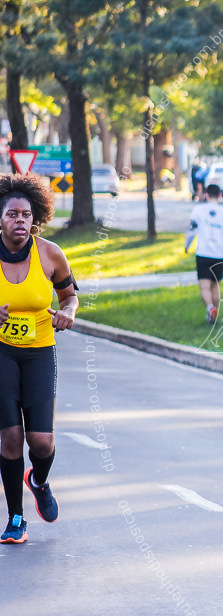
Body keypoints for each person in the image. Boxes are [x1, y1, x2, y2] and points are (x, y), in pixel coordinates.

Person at [0, 174, 78, 544]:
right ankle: (16, 517)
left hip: (39, 353)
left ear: (35, 218)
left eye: (26, 214)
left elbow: (70, 297)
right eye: (12, 213)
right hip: (0, 353)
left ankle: (39, 480)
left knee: (41, 442)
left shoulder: (49, 253)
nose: (19, 220)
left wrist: (69, 313)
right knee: (11, 437)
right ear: (0, 219)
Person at [185, 184, 223, 323]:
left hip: (203, 253)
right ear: (220, 196)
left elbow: (191, 230)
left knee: (204, 286)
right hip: (219, 255)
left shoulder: (198, 210)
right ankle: (214, 314)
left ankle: (209, 307)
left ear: (206, 195)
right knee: (215, 285)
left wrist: (186, 245)